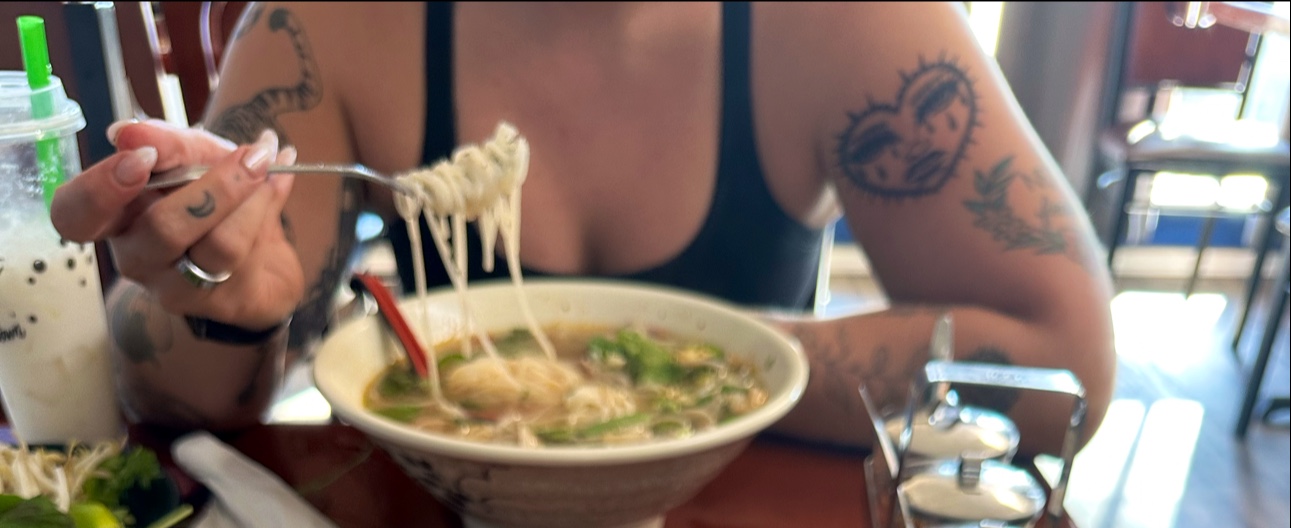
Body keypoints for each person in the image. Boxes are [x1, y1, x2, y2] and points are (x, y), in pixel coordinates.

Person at [51, 1, 1115, 446]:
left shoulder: (850, 23)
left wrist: (655, 371)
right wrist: (216, 297)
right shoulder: (332, 25)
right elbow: (177, 401)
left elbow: (1061, 371)